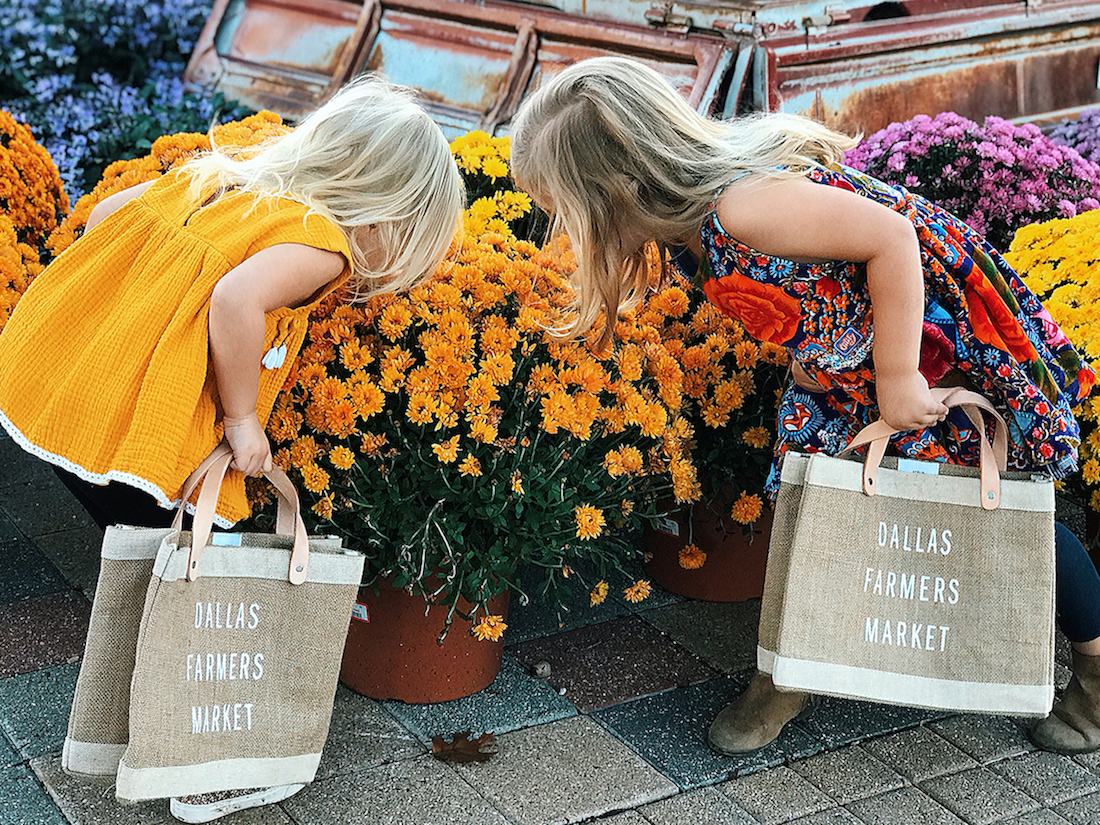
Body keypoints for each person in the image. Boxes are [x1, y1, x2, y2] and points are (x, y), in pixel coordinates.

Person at [508, 56, 1100, 757]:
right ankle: (792, 668)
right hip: (852, 361)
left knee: (995, 507)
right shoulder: (691, 227)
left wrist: (897, 377)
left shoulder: (742, 208)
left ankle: (1094, 672)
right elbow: (811, 279)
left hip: (929, 345)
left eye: (565, 215)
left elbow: (892, 240)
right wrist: (810, 341)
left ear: (619, 191)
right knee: (820, 504)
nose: (566, 236)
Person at [0, 73, 463, 821]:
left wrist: (136, 319)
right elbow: (236, 299)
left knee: (157, 557)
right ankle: (200, 762)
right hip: (140, 428)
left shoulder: (220, 179)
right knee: (201, 565)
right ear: (387, 209)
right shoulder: (324, 241)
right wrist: (244, 418)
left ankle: (130, 727)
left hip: (65, 393)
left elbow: (108, 216)